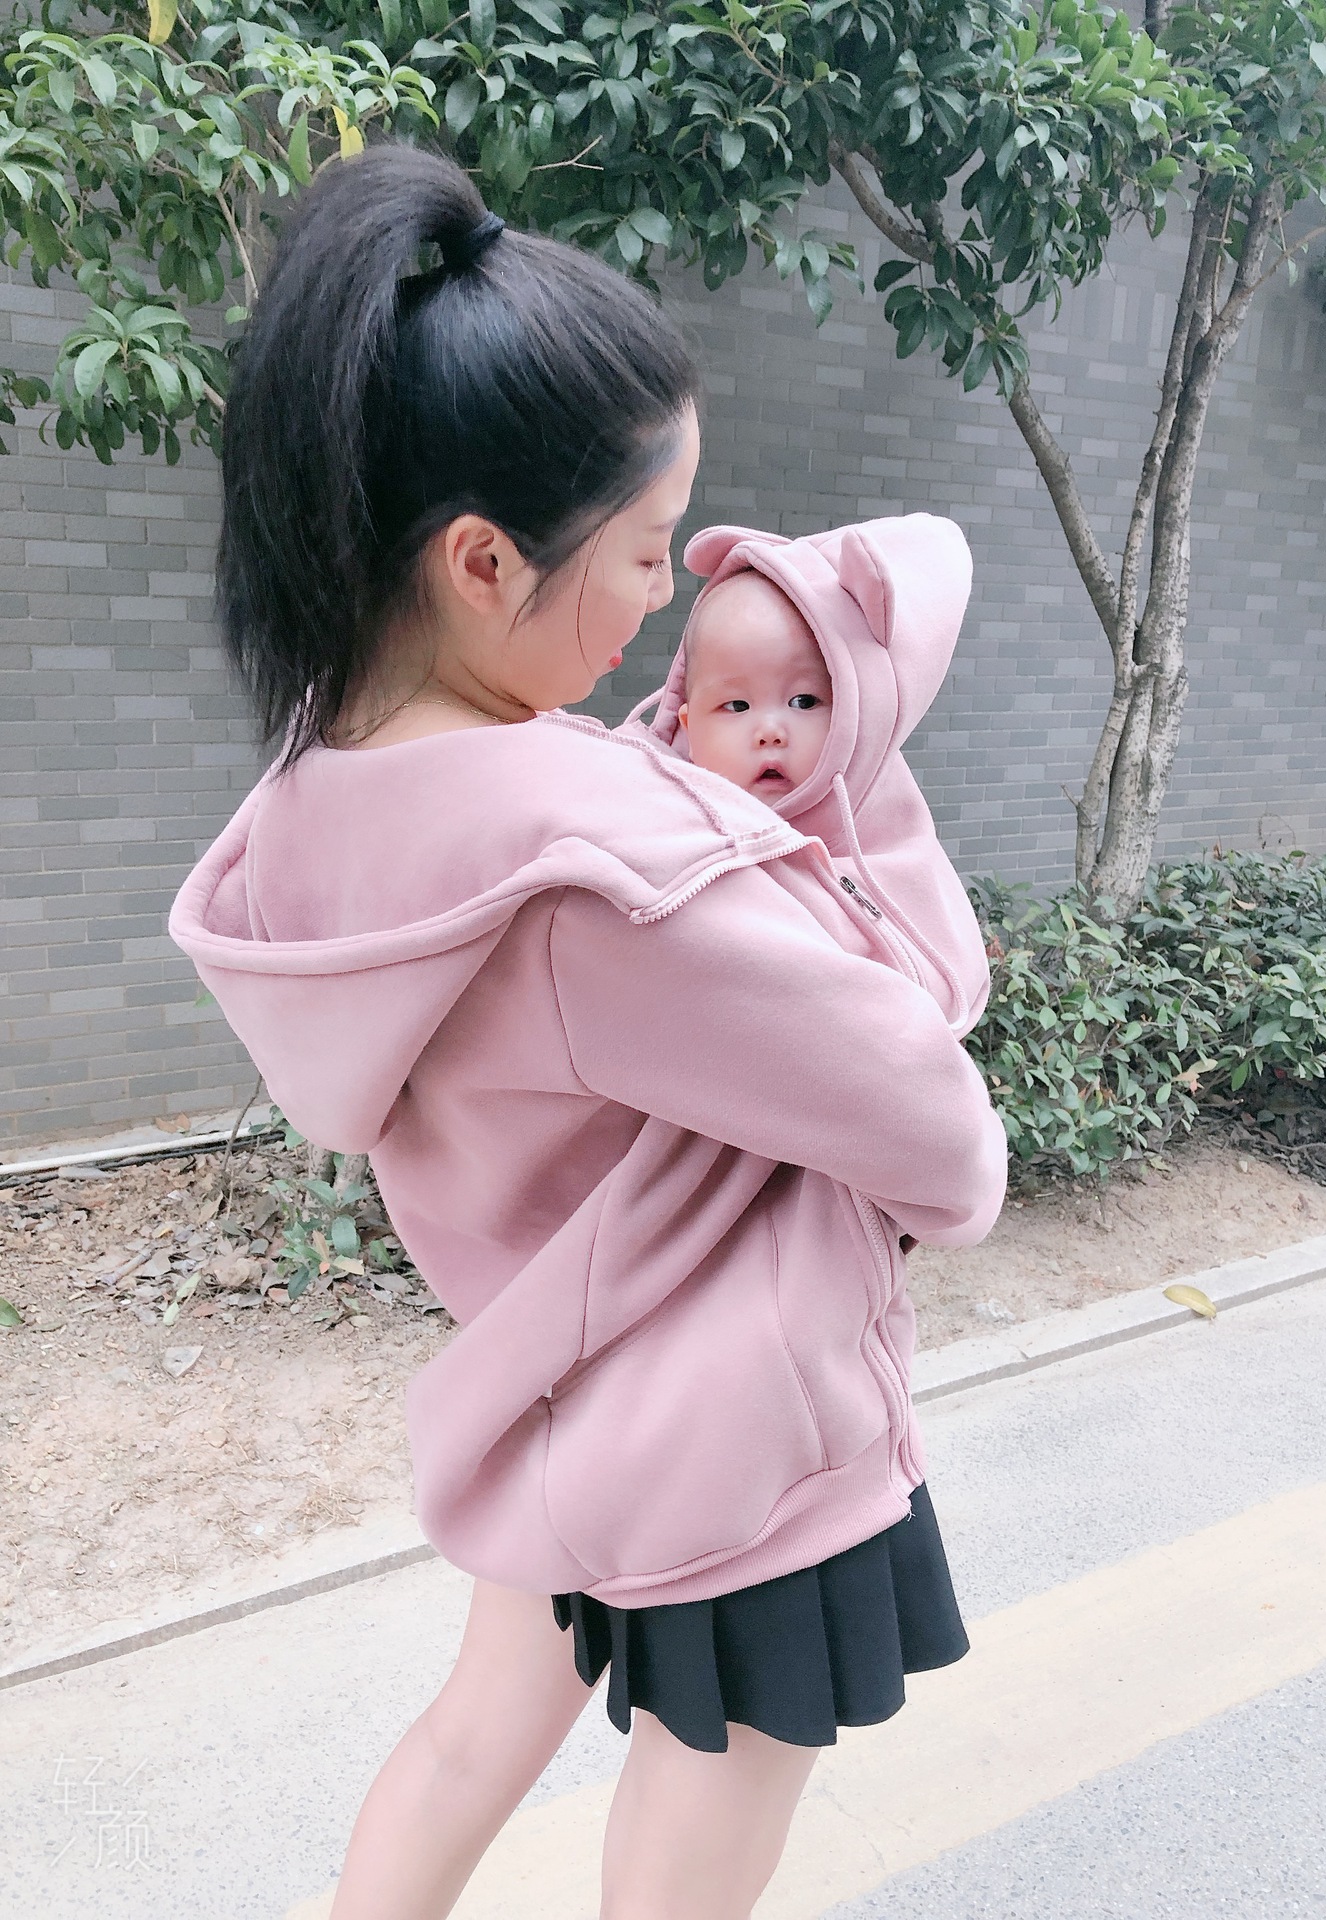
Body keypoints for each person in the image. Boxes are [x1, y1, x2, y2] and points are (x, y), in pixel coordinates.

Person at [168, 140, 1008, 1920]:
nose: (656, 612)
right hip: (729, 1422)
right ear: (484, 561)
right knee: (705, 1804)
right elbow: (941, 1133)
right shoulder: (617, 874)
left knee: (470, 1740)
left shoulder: (316, 806)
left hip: (550, 1381)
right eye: (639, 552)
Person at [629, 514, 992, 1040]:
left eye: (804, 701)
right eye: (736, 705)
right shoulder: (655, 819)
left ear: (856, 712)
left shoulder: (879, 833)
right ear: (688, 724)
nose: (769, 731)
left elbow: (928, 990)